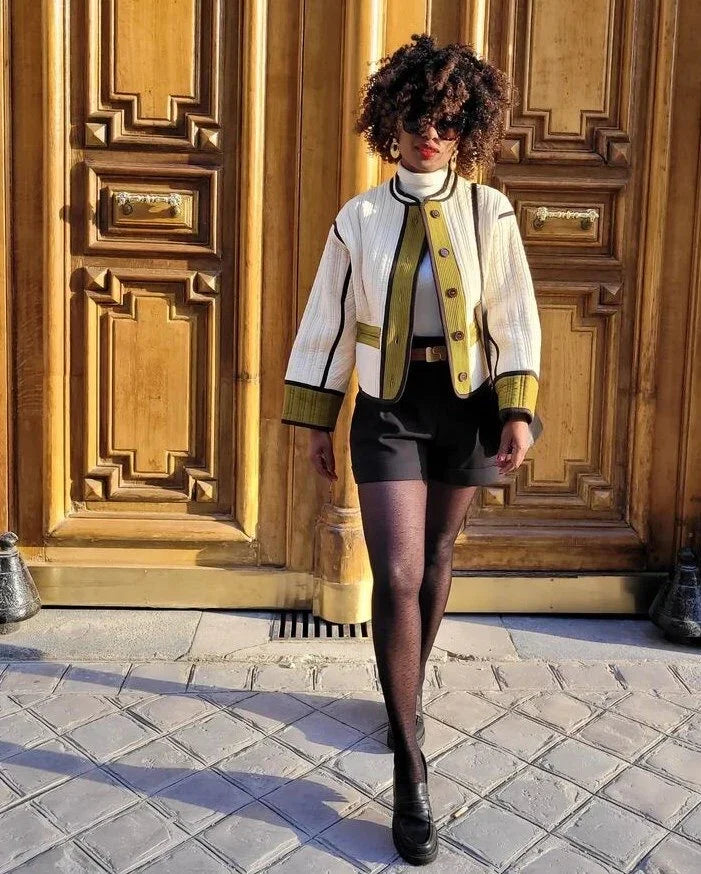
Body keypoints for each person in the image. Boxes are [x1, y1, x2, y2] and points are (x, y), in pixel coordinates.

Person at [281, 33, 541, 866]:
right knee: (392, 570)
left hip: (465, 406)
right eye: (413, 116)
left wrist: (517, 409)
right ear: (387, 122)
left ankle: (407, 695)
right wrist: (318, 418)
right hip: (388, 407)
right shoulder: (357, 216)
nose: (428, 132)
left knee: (436, 555)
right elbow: (326, 317)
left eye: (446, 119)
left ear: (465, 128)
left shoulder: (486, 210)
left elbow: (511, 312)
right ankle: (410, 762)